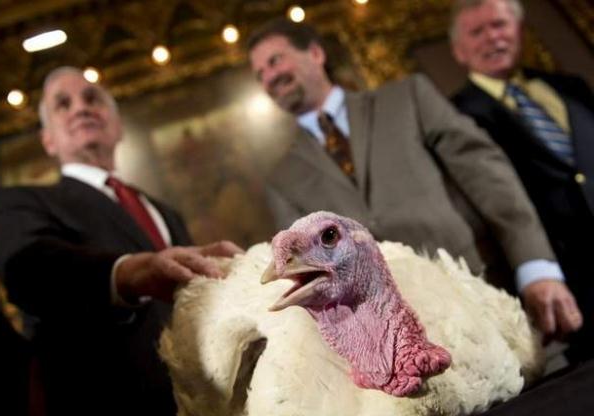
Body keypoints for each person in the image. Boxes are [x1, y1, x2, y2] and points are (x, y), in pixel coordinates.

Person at [247, 18, 583, 349]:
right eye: (260, 73)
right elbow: (307, 271)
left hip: (488, 296)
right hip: (397, 343)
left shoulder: (408, 97)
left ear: (316, 54)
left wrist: (536, 268)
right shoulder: (282, 179)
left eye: (275, 60)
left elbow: (488, 177)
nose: (270, 77)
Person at [0, 66, 243, 416]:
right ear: (48, 140)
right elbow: (28, 269)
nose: (81, 108)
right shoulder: (19, 202)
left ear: (118, 126)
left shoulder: (165, 212)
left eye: (92, 98)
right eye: (63, 104)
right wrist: (128, 273)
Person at [450, 0, 594, 363]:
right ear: (459, 50)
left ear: (519, 30)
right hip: (567, 281)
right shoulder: (455, 116)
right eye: (477, 31)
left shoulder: (569, 86)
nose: (492, 37)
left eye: (499, 25)